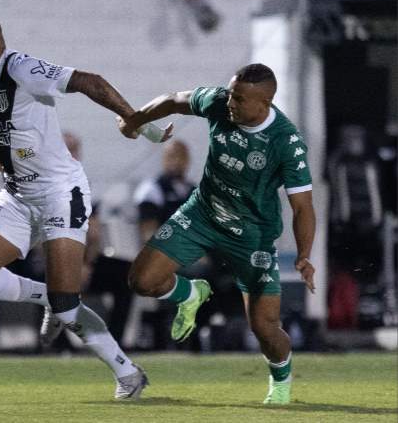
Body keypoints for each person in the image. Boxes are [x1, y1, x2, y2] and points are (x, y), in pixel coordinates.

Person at [0, 10, 167, 399]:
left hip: (59, 194)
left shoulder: (19, 67)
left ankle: (128, 374)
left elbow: (90, 82)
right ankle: (47, 295)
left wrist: (133, 119)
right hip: (18, 195)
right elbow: (16, 123)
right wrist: (9, 154)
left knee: (68, 308)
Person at [119, 63, 317, 404]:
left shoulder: (286, 141)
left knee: (264, 329)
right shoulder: (218, 101)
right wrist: (136, 119)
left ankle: (281, 381)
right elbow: (175, 99)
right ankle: (189, 294)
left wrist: (303, 256)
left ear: (265, 103)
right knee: (142, 280)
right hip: (202, 214)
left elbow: (303, 207)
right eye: (231, 93)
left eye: (239, 98)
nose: (230, 103)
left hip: (252, 235)